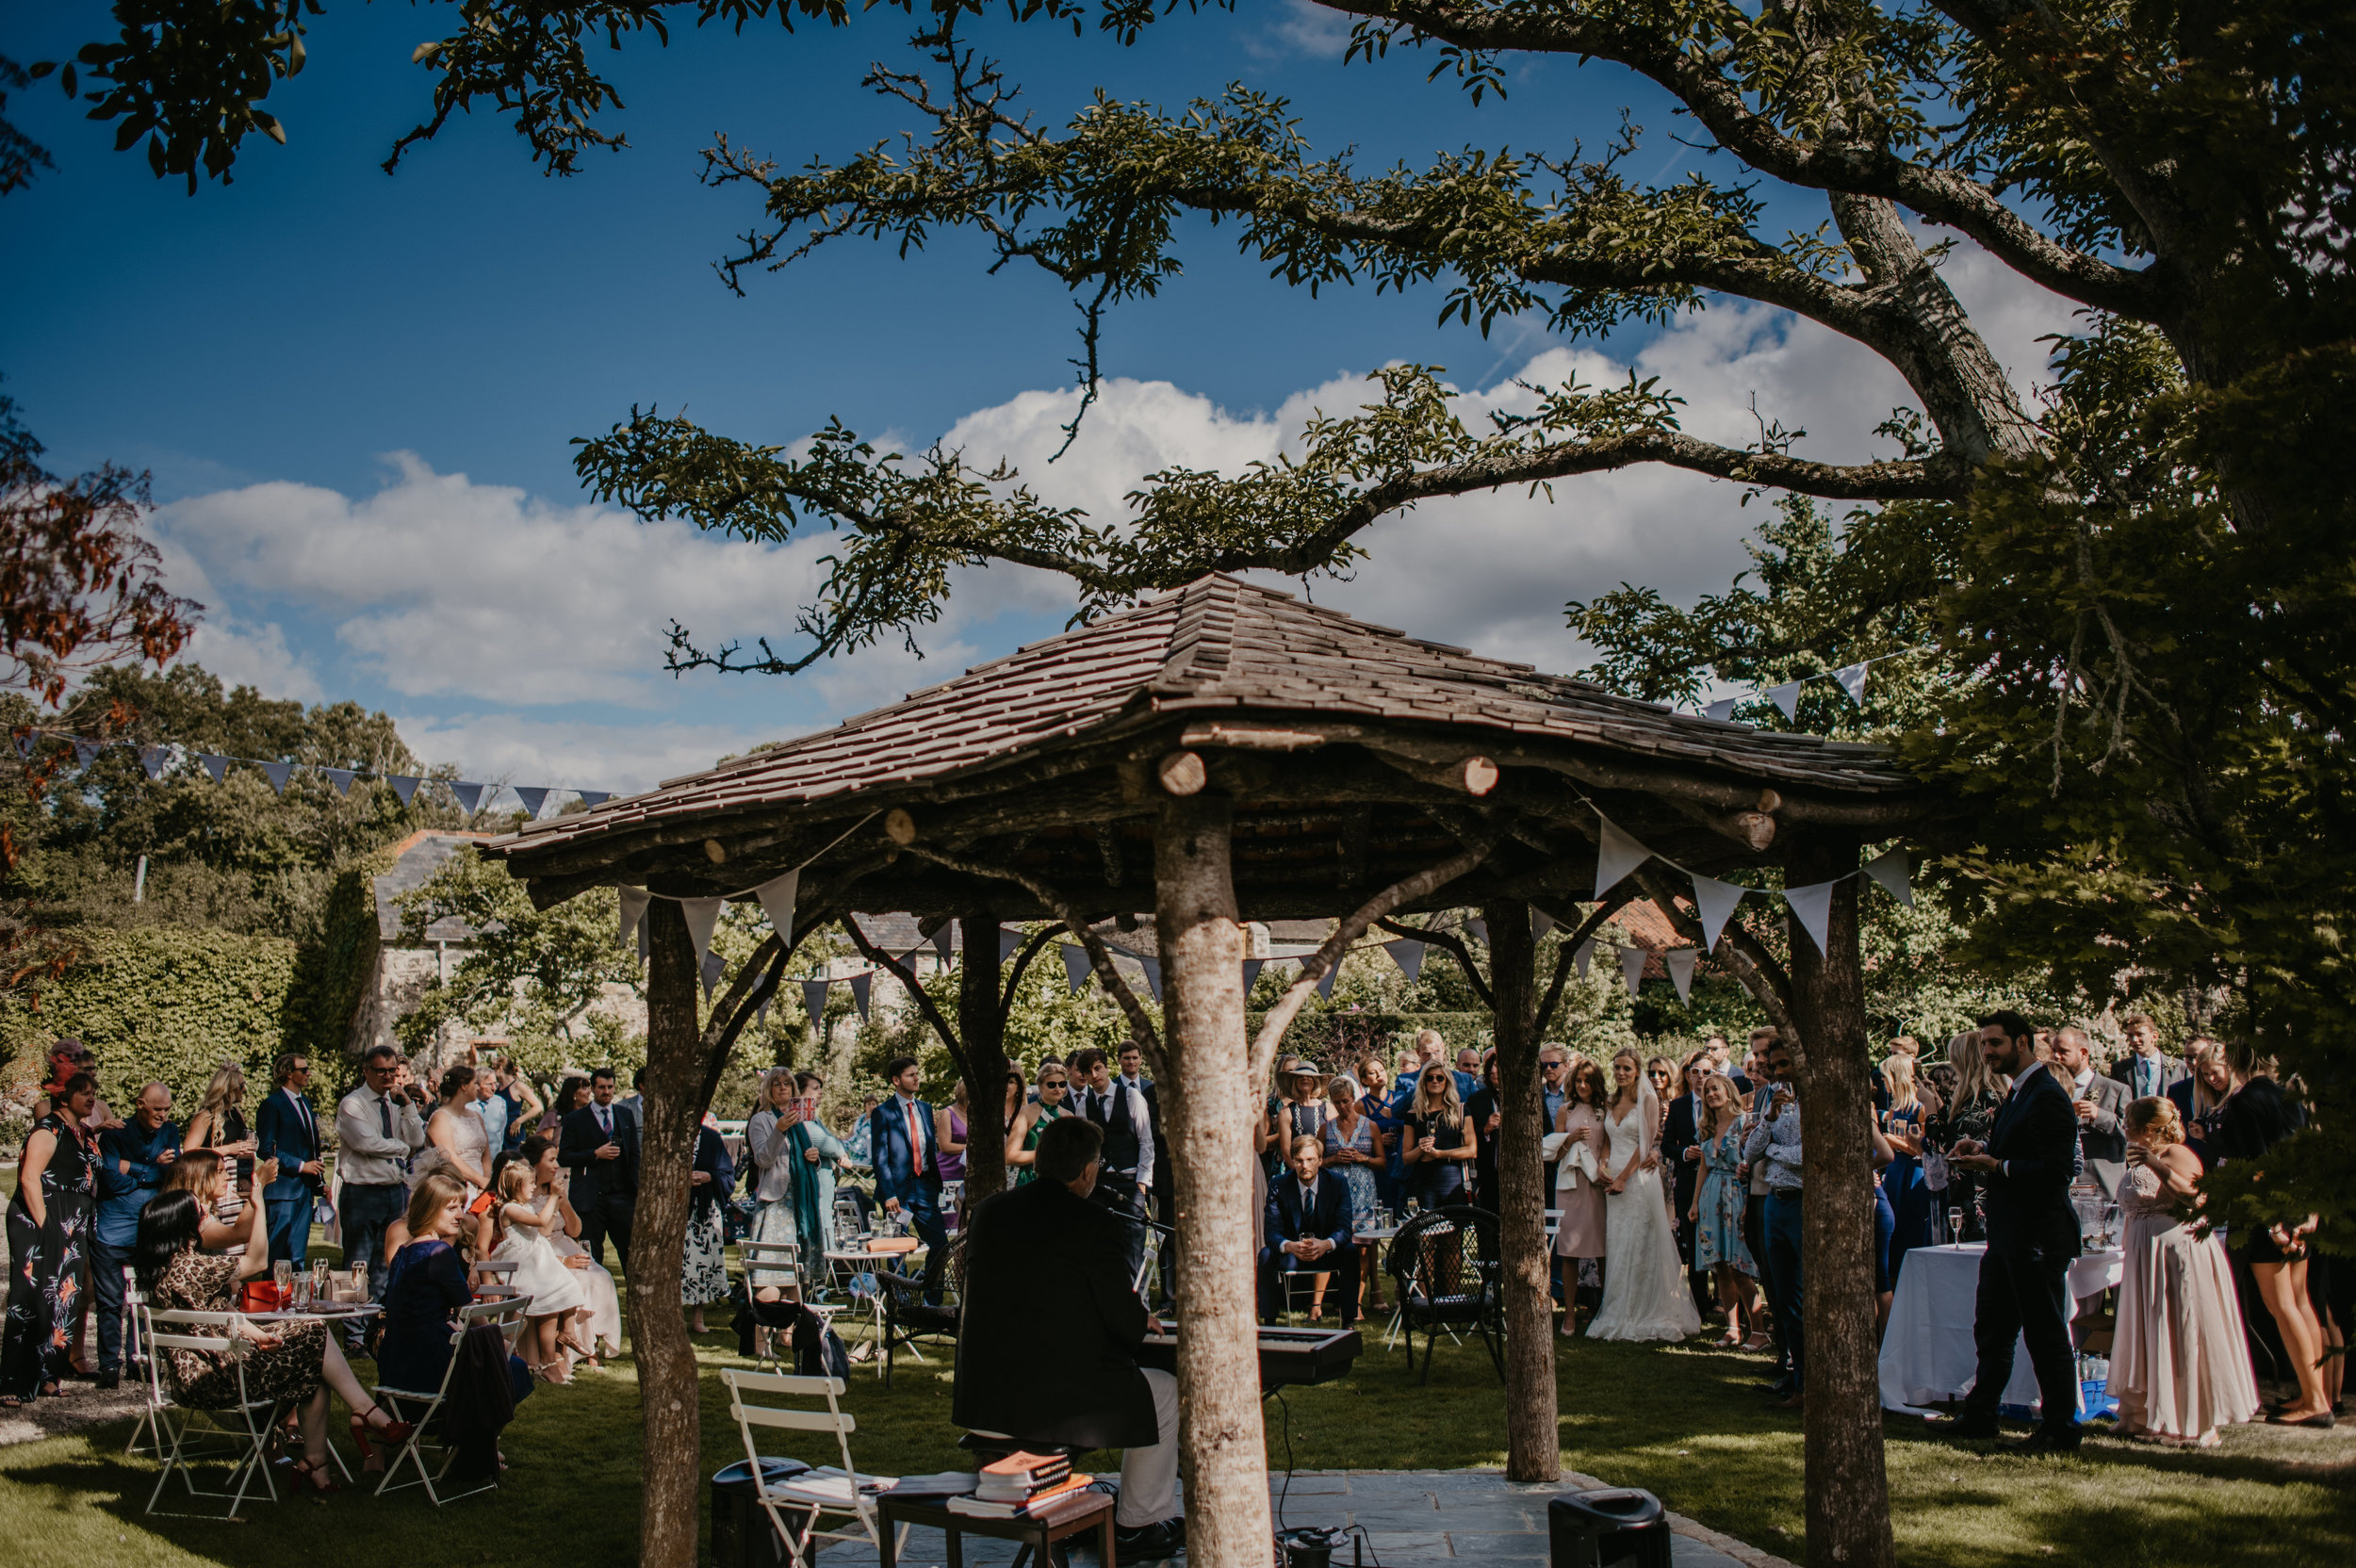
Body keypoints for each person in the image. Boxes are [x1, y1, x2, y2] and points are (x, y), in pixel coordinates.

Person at [954, 1116, 1182, 1566]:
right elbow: (1123, 1322)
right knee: (1165, 1392)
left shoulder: (989, 1212)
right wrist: (1141, 1320)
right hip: (1050, 1407)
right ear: (1089, 1170)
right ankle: (1137, 1525)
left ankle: (1102, 1515)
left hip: (984, 1400)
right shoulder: (1092, 1220)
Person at [133, 1179, 413, 1493]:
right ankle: (364, 1413)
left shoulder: (164, 1269)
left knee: (314, 1361)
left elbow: (217, 1312)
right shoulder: (193, 1267)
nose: (206, 1216)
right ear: (184, 1225)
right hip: (218, 1379)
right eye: (200, 1213)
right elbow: (258, 1261)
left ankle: (317, 1467)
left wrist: (256, 1334)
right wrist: (258, 1205)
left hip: (200, 1375)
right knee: (315, 1335)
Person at [1945, 1010, 2086, 1451]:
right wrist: (1983, 1146)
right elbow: (2021, 1144)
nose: (1987, 1052)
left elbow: (2057, 1170)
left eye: (1995, 1043)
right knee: (1992, 1329)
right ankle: (1981, 1415)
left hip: (2037, 1235)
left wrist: (1997, 1165)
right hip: (2007, 1234)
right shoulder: (2019, 1091)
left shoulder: (2046, 1094)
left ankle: (2060, 1427)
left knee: (2045, 1334)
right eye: (1984, 1044)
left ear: (2022, 1042)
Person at [2110, 1098, 2260, 1446]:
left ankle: (2192, 1421)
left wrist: (2155, 1165)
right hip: (2146, 1255)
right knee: (2150, 1331)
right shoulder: (2138, 1156)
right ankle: (2142, 1414)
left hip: (2177, 1251)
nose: (2124, 1126)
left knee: (2180, 1330)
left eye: (2128, 1121)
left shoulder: (2178, 1153)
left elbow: (2196, 1198)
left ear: (2147, 1128)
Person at [2211, 1052, 2331, 1426]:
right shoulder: (2289, 1095)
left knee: (2282, 1306)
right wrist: (2308, 1211)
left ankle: (2315, 1402)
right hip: (2297, 1206)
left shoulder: (2245, 1101)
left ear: (2237, 1059)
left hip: (2269, 1214)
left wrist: (2273, 1223)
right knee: (2301, 1302)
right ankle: (2315, 1394)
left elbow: (2257, 1167)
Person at [377, 1174, 534, 1436]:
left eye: (461, 1207)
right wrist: (497, 1343)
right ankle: (474, 1441)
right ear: (429, 1209)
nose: (461, 1215)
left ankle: (471, 1441)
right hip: (430, 1364)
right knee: (513, 1368)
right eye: (451, 1208)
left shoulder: (404, 1250)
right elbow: (469, 1312)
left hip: (396, 1363)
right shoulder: (438, 1252)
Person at [1, 1072, 104, 1403]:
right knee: (30, 1299)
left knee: (65, 1299)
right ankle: (12, 1382)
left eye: (92, 1092)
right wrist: (48, 1229)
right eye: (83, 1093)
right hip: (40, 1221)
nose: (91, 1098)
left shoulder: (84, 1133)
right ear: (64, 1097)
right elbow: (29, 1179)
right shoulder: (48, 1130)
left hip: (73, 1224)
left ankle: (48, 1376)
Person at [1587, 1049, 1702, 1345]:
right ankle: (1618, 1306)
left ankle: (1644, 1307)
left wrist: (1623, 1178)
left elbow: (1645, 1143)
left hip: (1637, 1178)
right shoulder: (1611, 1100)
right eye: (1617, 1067)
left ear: (1637, 1071)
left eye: (1626, 1068)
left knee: (1640, 1240)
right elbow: (1608, 1141)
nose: (1621, 1073)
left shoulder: (1648, 1100)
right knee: (1618, 1239)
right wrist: (1603, 1166)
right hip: (1613, 1177)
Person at [91, 1082, 179, 1388]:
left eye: (167, 1109)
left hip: (149, 1231)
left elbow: (171, 1174)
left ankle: (137, 1361)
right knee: (109, 1302)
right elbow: (110, 1180)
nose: (163, 1115)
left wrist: (131, 1168)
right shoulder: (115, 1133)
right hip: (113, 1230)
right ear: (140, 1104)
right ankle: (109, 1366)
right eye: (157, 1109)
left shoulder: (169, 1131)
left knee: (144, 1300)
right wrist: (151, 1168)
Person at [335, 1044, 427, 1316]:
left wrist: (408, 1105)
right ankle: (354, 1328)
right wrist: (402, 1148)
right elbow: (367, 1143)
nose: (388, 1077)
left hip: (394, 1190)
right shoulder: (353, 1104)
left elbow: (418, 1139)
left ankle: (378, 1321)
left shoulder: (395, 1103)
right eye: (381, 1071)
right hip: (362, 1192)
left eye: (392, 1071)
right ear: (366, 1071)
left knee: (388, 1259)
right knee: (357, 1263)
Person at [483, 1157, 588, 1381]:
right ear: (516, 1186)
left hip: (537, 1257)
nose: (534, 1186)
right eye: (530, 1183)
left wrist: (555, 1204)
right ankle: (526, 1358)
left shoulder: (525, 1206)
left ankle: (557, 1348)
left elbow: (544, 1230)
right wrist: (553, 1196)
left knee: (565, 1286)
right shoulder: (510, 1208)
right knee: (544, 1293)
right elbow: (540, 1222)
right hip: (522, 1263)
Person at [1744, 1039, 1806, 1404]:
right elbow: (1750, 1152)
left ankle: (1808, 1382)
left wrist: (1773, 1150)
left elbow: (1808, 1154)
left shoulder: (1816, 1098)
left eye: (1785, 1063)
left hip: (1802, 1202)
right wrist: (1768, 1119)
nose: (1779, 1071)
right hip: (1774, 1202)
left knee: (1803, 1293)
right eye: (1776, 1064)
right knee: (1783, 1296)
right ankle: (1794, 1374)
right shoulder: (1774, 1100)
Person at [524, 1135, 620, 1362]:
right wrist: (564, 1262)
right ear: (535, 1163)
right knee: (581, 1281)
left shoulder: (555, 1190)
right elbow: (540, 1235)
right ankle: (571, 1349)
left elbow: (575, 1230)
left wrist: (563, 1201)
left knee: (602, 1277)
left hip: (565, 1244)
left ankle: (592, 1343)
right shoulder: (525, 1197)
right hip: (542, 1253)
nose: (556, 1165)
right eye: (551, 1160)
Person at [869, 1055, 949, 1304]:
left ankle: (931, 1300)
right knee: (897, 1249)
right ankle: (899, 1302)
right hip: (897, 1191)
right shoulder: (883, 1112)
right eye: (910, 1075)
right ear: (896, 1080)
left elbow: (929, 1147)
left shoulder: (925, 1108)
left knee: (940, 1244)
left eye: (917, 1073)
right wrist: (889, 1193)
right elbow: (880, 1157)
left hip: (925, 1187)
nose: (916, 1078)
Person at [1076, 1046, 1157, 1282]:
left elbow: (1146, 1141)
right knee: (1101, 1247)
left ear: (1106, 1067)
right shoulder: (1084, 1106)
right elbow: (1086, 1149)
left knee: (1132, 1248)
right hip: (1100, 1184)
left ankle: (1137, 1299)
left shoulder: (1131, 1096)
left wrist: (1142, 1183)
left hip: (1130, 1181)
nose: (1094, 1075)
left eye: (1098, 1068)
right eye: (1089, 1072)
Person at [1688, 1072, 1756, 1348]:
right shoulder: (1706, 1127)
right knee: (1719, 1266)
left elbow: (1752, 1164)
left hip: (1737, 1194)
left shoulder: (1744, 1123)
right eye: (1707, 1091)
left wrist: (1749, 1203)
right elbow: (1703, 1167)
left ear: (1729, 1092)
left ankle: (1758, 1329)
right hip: (1711, 1196)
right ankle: (1732, 1329)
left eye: (1715, 1089)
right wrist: (1695, 1202)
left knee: (1739, 1266)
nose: (1711, 1094)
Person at [1262, 1136, 1359, 1325]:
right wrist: (1289, 1246)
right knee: (1265, 1255)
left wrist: (1326, 1244)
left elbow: (1345, 1229)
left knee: (1350, 1251)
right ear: (1292, 1161)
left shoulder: (1337, 1183)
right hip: (1293, 1252)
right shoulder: (1278, 1184)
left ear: (1320, 1160)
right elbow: (1271, 1232)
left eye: (1310, 1160)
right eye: (1299, 1160)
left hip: (1326, 1251)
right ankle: (1269, 1323)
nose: (1304, 1166)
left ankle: (1349, 1321)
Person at [744, 1067, 807, 1347]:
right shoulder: (762, 1120)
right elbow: (763, 1160)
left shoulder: (802, 1118)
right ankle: (760, 1341)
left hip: (800, 1204)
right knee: (769, 1272)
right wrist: (779, 1130)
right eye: (777, 1084)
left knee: (795, 1273)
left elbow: (804, 1156)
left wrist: (814, 1157)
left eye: (788, 1084)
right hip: (775, 1204)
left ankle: (787, 1336)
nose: (783, 1088)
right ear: (768, 1090)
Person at [559, 1066, 641, 1270]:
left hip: (622, 1196)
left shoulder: (625, 1115)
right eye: (602, 1087)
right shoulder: (575, 1119)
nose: (606, 1091)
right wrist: (595, 1154)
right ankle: (595, 1289)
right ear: (593, 1089)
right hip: (590, 1198)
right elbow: (564, 1156)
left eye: (610, 1087)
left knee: (631, 1253)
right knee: (592, 1253)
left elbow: (634, 1155)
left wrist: (636, 1189)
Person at [1927, 1029, 2003, 1242]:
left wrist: (1929, 1107)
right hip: (1968, 1190)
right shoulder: (1977, 1094)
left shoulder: (1984, 1097)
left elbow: (1946, 1144)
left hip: (1977, 1193)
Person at [1553, 1057, 1610, 1336]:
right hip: (1571, 1184)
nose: (1583, 1086)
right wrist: (1571, 1138)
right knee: (1569, 1250)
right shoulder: (1566, 1109)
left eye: (1587, 1081)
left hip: (1597, 1182)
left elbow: (1609, 1143)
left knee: (1602, 1247)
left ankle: (1607, 1310)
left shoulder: (1605, 1109)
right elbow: (1554, 1151)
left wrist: (1604, 1166)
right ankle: (1570, 1314)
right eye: (1578, 1081)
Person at [254, 1051, 326, 1266]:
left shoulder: (305, 1103)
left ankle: (297, 1290)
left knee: (298, 1257)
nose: (308, 1073)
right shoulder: (272, 1105)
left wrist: (320, 1183)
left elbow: (311, 1146)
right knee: (277, 1256)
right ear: (288, 1073)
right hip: (283, 1192)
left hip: (305, 1190)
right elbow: (266, 1150)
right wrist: (301, 1166)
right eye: (303, 1070)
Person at [786, 1071, 856, 1281]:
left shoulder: (813, 1117)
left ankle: (824, 1276)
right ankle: (819, 1278)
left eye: (820, 1088)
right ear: (799, 1092)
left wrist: (839, 1150)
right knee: (820, 1225)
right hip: (813, 1183)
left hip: (825, 1182)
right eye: (815, 1089)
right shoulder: (799, 1116)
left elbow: (831, 1141)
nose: (820, 1092)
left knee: (826, 1222)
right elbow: (823, 1141)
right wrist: (840, 1152)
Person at [2051, 1025, 2130, 1198]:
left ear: (2083, 1053)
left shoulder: (2116, 1090)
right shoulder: (2050, 1089)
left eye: (2063, 1051)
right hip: (2059, 1186)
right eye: (2054, 1051)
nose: (2056, 1056)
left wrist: (2099, 1116)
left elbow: (2131, 1135)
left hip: (2101, 1185)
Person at [1879, 1054, 1935, 1283]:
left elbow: (1922, 1149)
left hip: (1913, 1172)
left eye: (1885, 1077)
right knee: (1896, 1228)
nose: (1883, 1082)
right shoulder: (1894, 1108)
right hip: (1895, 1171)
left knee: (1911, 1226)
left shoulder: (1920, 1108)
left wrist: (1890, 1140)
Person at [183, 1060, 258, 1232]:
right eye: (241, 1086)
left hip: (238, 1183)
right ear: (228, 1089)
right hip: (214, 1182)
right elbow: (189, 1152)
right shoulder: (206, 1115)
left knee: (241, 1230)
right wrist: (228, 1150)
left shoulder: (236, 1114)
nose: (244, 1090)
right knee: (220, 1231)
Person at [684, 1111, 736, 1334]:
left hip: (704, 1210)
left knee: (702, 1262)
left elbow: (728, 1175)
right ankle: (672, 1315)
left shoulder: (711, 1138)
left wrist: (709, 1177)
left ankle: (698, 1317)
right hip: (676, 1209)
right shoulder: (671, 1137)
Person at [1400, 1059, 1477, 1210]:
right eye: (1430, 1078)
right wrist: (1420, 1148)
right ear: (1423, 1082)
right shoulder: (1413, 1115)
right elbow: (1406, 1158)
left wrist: (1438, 1154)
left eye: (1440, 1078)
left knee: (1456, 1223)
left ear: (1447, 1081)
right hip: (1423, 1182)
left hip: (1453, 1181)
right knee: (1425, 1224)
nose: (1435, 1081)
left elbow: (1471, 1150)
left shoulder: (1460, 1111)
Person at [419, 1064, 496, 1195]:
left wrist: (485, 1183)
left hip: (481, 1186)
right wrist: (480, 1180)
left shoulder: (476, 1116)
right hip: (454, 1184)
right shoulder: (441, 1117)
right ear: (464, 1086)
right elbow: (450, 1157)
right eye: (475, 1083)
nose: (478, 1087)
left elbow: (486, 1153)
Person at [1355, 1055, 1409, 1213]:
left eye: (1382, 1070)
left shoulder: (1400, 1098)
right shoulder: (1360, 1106)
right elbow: (1353, 1140)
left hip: (1403, 1160)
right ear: (1364, 1080)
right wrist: (1376, 1141)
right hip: (1381, 1165)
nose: (1379, 1075)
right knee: (1386, 1208)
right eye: (1373, 1073)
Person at [1008, 1063, 1074, 1184]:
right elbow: (1010, 1156)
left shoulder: (1069, 1116)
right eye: (1051, 1084)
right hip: (1030, 1181)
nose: (1057, 1088)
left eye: (1062, 1084)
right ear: (1040, 1086)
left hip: (1059, 1181)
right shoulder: (1025, 1113)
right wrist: (1046, 1155)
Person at [2117, 1014, 2185, 1103]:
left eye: (2140, 1034)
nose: (2134, 1040)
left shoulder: (2180, 1067)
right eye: (2130, 1035)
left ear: (2154, 1036)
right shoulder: (2120, 1068)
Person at [1464, 1051, 1502, 1209]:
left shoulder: (1526, 1098)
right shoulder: (1476, 1099)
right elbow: (1467, 1137)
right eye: (1490, 1067)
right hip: (1488, 1176)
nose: (1493, 1071)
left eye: (1498, 1067)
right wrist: (1485, 1130)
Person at [537, 1074, 591, 1142]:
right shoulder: (553, 1116)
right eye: (584, 1088)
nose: (589, 1092)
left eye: (588, 1088)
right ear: (574, 1094)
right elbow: (541, 1144)